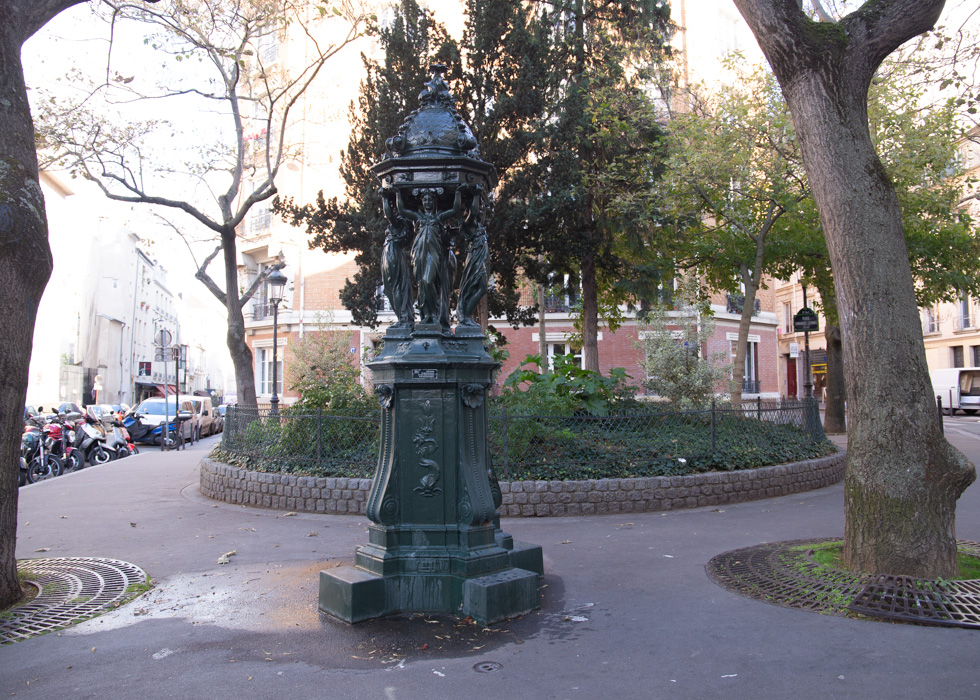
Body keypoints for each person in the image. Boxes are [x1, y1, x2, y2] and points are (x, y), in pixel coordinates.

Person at [396, 186, 464, 326]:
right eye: (425, 199)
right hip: (419, 253)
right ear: (422, 202)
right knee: (422, 283)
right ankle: (425, 315)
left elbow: (455, 209)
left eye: (430, 199)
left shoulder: (438, 217)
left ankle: (433, 314)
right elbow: (402, 210)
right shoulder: (419, 217)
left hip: (433, 253)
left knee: (428, 281)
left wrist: (457, 191)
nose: (427, 202)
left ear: (434, 202)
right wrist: (397, 193)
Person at [380, 190, 415, 329]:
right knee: (389, 289)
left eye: (395, 207)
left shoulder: (400, 223)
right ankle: (403, 318)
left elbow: (389, 214)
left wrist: (385, 198)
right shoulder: (398, 224)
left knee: (396, 287)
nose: (392, 210)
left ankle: (403, 318)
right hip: (389, 251)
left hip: (393, 252)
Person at [457, 188, 489, 328]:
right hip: (475, 257)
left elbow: (479, 212)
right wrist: (476, 195)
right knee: (481, 287)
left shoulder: (479, 226)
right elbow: (475, 211)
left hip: (482, 256)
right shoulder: (468, 223)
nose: (480, 211)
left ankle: (467, 316)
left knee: (481, 287)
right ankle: (465, 316)